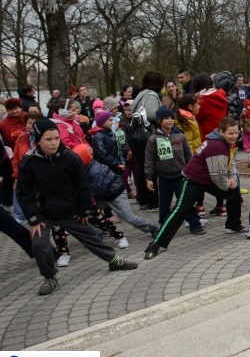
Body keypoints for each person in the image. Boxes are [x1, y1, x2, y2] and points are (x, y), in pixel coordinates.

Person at [17, 118, 138, 295]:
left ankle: (114, 260)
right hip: (44, 214)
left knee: (91, 235)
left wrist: (83, 210)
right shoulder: (29, 162)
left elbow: (82, 186)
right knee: (39, 244)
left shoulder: (70, 157)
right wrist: (33, 219)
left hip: (70, 211)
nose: (53, 143)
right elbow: (23, 194)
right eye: (48, 139)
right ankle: (50, 278)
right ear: (38, 140)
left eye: (56, 138)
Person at [144, 118, 245, 259]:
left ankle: (233, 225)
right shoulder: (216, 145)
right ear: (221, 132)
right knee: (180, 210)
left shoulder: (225, 142)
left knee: (234, 192)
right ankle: (156, 244)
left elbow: (230, 163)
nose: (234, 136)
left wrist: (232, 179)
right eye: (230, 133)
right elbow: (218, 176)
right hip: (193, 180)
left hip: (209, 178)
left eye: (236, 133)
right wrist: (227, 183)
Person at [73, 143, 159, 241]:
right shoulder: (84, 168)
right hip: (104, 195)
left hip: (116, 194)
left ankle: (153, 228)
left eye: (77, 159)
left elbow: (94, 194)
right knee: (84, 215)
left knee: (129, 218)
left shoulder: (94, 171)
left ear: (84, 157)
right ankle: (98, 234)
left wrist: (84, 206)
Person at [144, 106, 200, 231]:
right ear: (159, 121)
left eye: (171, 118)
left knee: (186, 202)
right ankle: (164, 226)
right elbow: (149, 159)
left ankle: (194, 224)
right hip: (164, 177)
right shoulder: (154, 139)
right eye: (166, 118)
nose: (170, 121)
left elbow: (188, 155)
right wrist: (149, 177)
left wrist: (191, 172)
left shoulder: (180, 136)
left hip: (180, 175)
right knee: (164, 203)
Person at [129, 71, 165, 212]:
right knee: (151, 168)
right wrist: (162, 115)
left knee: (141, 169)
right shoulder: (151, 95)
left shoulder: (140, 94)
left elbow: (133, 109)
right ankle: (153, 203)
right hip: (146, 136)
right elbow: (151, 114)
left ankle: (142, 199)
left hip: (135, 136)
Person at [10, 111, 43, 223]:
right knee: (17, 186)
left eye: (35, 122)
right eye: (29, 122)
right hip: (24, 171)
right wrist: (16, 175)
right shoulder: (21, 138)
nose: (32, 125)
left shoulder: (43, 137)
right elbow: (16, 158)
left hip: (39, 172)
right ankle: (19, 216)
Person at [0, 98, 26, 208]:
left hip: (26, 152)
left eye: (16, 109)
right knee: (11, 178)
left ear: (20, 108)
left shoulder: (27, 118)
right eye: (11, 110)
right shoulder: (3, 124)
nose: (14, 111)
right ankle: (7, 202)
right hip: (11, 155)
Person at [193, 73, 228, 142]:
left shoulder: (203, 102)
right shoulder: (220, 95)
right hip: (221, 134)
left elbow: (195, 118)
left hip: (208, 136)